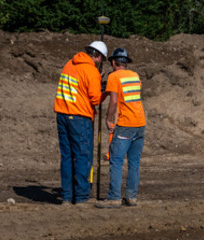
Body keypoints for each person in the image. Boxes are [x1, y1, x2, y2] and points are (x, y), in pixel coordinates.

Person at [54, 41, 107, 206]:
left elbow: (79, 88)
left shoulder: (69, 64)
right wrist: (104, 89)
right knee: (83, 157)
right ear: (97, 56)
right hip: (79, 117)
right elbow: (96, 99)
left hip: (62, 115)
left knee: (67, 157)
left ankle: (67, 197)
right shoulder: (91, 71)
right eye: (101, 59)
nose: (100, 63)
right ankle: (83, 197)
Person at [96, 48, 146, 209]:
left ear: (113, 62)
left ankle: (114, 198)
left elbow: (114, 101)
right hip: (140, 123)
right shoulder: (135, 75)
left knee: (116, 161)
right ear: (126, 63)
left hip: (126, 124)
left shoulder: (114, 76)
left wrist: (108, 119)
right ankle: (131, 197)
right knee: (134, 163)